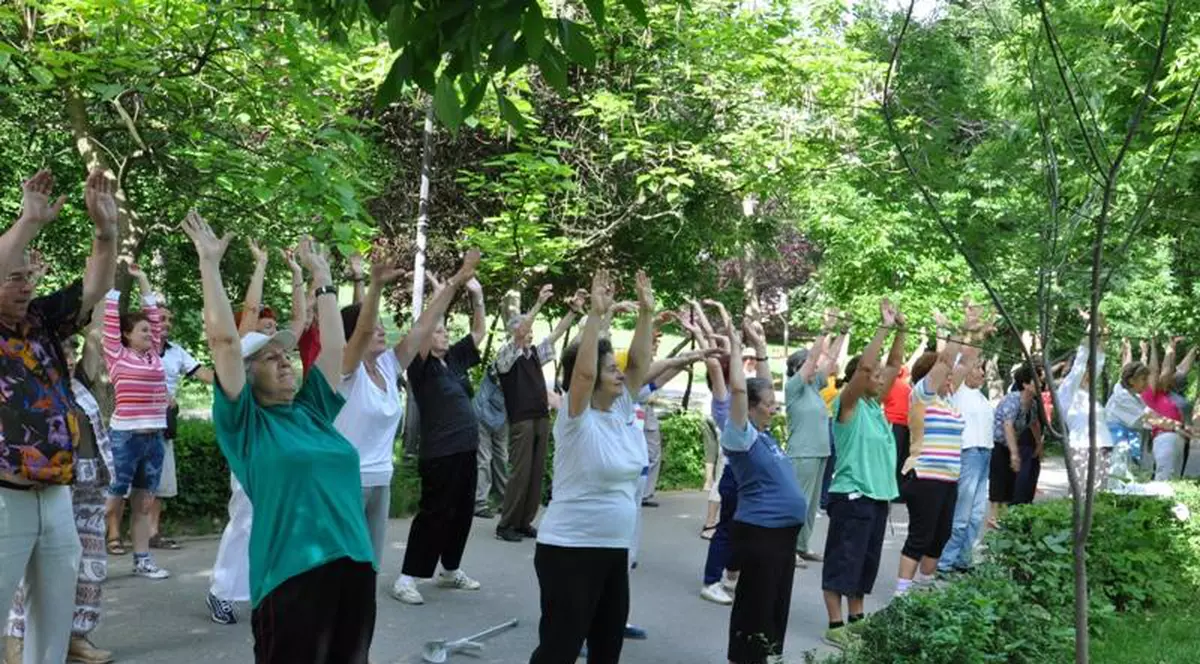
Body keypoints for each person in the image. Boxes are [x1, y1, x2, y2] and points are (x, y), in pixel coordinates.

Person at [183, 214, 376, 664]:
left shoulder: (312, 411)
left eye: (284, 354)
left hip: (354, 565)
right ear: (247, 380)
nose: (284, 361)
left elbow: (332, 349)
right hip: (290, 575)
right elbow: (224, 345)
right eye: (269, 359)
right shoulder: (246, 426)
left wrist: (324, 279)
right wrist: (209, 265)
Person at [0, 169, 118, 664]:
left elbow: (94, 288)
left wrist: (105, 232)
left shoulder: (42, 321)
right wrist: (28, 220)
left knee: (52, 626)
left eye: (29, 275)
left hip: (56, 495)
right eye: (14, 277)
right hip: (5, 498)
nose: (26, 284)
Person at [528, 269, 653, 664]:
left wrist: (646, 314)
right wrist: (595, 317)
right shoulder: (575, 415)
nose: (618, 371)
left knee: (607, 646)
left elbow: (638, 363)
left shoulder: (619, 408)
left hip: (613, 549)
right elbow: (582, 373)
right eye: (608, 367)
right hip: (569, 549)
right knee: (560, 648)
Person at [206, 243, 309, 625]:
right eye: (264, 328)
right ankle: (220, 591)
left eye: (273, 329)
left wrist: (300, 276)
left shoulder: (275, 359)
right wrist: (260, 264)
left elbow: (298, 322)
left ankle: (266, 586)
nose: (272, 332)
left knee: (278, 518)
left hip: (278, 439)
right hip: (252, 442)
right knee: (246, 517)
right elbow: (236, 330)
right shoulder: (241, 347)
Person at [391, 250, 489, 605]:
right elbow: (425, 324)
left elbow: (479, 331)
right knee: (434, 514)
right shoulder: (420, 367)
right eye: (438, 331)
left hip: (465, 449)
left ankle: (449, 569)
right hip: (440, 453)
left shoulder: (454, 360)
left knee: (462, 512)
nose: (444, 335)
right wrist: (445, 290)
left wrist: (476, 295)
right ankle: (407, 578)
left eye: (446, 330)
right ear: (425, 338)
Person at [820, 298, 904, 651]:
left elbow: (894, 363)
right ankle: (835, 624)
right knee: (843, 561)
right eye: (874, 375)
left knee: (864, 564)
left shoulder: (874, 406)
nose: (882, 376)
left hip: (876, 498)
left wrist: (901, 329)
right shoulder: (848, 403)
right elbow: (867, 365)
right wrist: (883, 326)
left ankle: (856, 619)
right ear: (859, 378)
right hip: (851, 496)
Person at [721, 319, 807, 664]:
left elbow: (762, 386)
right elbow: (741, 391)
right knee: (755, 607)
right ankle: (745, 659)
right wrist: (735, 345)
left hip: (782, 536)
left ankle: (765, 657)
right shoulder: (739, 435)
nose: (774, 406)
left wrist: (760, 347)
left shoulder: (764, 434)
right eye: (768, 403)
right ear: (752, 406)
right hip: (760, 533)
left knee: (774, 607)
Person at [895, 304, 981, 596]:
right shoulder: (922, 395)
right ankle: (902, 592)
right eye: (943, 375)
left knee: (940, 535)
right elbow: (947, 360)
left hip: (947, 479)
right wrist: (958, 330)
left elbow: (966, 363)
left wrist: (975, 331)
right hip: (924, 475)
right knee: (921, 535)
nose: (951, 378)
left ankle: (924, 586)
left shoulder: (947, 400)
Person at [333, 256, 408, 567]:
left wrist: (456, 284)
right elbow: (361, 330)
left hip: (381, 479)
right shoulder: (346, 371)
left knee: (371, 564)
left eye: (382, 326)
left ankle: (361, 614)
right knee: (344, 561)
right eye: (372, 327)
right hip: (348, 479)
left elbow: (423, 329)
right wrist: (372, 284)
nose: (381, 331)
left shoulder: (387, 366)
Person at [493, 285, 583, 542]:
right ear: (514, 331)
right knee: (520, 472)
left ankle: (523, 521)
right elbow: (520, 331)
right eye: (526, 328)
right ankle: (506, 524)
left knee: (535, 472)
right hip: (521, 420)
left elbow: (556, 334)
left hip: (540, 416)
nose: (530, 332)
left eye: (531, 329)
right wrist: (539, 303)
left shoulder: (533, 354)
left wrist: (572, 312)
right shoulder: (507, 354)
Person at [102, 263, 172, 580]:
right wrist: (115, 287)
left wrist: (143, 279)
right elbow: (108, 319)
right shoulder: (116, 354)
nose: (151, 333)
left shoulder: (154, 355)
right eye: (142, 330)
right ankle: (82, 558)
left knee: (143, 503)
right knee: (111, 499)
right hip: (125, 437)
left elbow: (154, 316)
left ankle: (142, 560)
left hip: (154, 437)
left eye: (150, 330)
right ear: (126, 335)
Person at [148, 302, 214, 550]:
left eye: (169, 319)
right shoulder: (135, 350)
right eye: (161, 318)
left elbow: (204, 374)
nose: (166, 323)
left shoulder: (177, 352)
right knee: (131, 482)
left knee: (161, 481)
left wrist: (234, 376)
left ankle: (152, 533)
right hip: (136, 421)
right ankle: (115, 535)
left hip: (164, 421)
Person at [784, 309, 842, 566]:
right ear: (798, 367)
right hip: (802, 452)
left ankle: (802, 545)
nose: (815, 366)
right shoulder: (794, 388)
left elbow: (830, 360)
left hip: (819, 453)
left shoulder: (814, 387)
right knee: (799, 503)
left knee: (810, 507)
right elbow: (815, 358)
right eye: (808, 364)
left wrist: (843, 332)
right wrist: (824, 330)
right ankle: (788, 548)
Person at [938, 358, 994, 573]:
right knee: (961, 514)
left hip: (985, 452)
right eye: (978, 367)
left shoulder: (981, 396)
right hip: (968, 452)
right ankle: (945, 560)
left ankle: (963, 557)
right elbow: (963, 358)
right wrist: (973, 334)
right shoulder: (958, 392)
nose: (982, 372)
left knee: (977, 513)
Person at [988, 364, 1038, 522]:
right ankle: (993, 519)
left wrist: (1039, 445)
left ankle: (1004, 520)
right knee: (999, 481)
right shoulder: (1013, 399)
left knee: (1011, 483)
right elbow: (1007, 425)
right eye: (1036, 380)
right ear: (1026, 384)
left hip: (1010, 444)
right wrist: (1014, 454)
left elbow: (1034, 424)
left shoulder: (1033, 404)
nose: (1041, 383)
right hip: (998, 444)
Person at [1144, 338, 1186, 480]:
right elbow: (1154, 370)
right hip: (1164, 436)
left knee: (1173, 478)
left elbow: (1168, 369)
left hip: (1177, 437)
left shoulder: (1167, 395)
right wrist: (1153, 344)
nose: (1167, 376)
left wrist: (1171, 347)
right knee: (1164, 478)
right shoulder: (1150, 394)